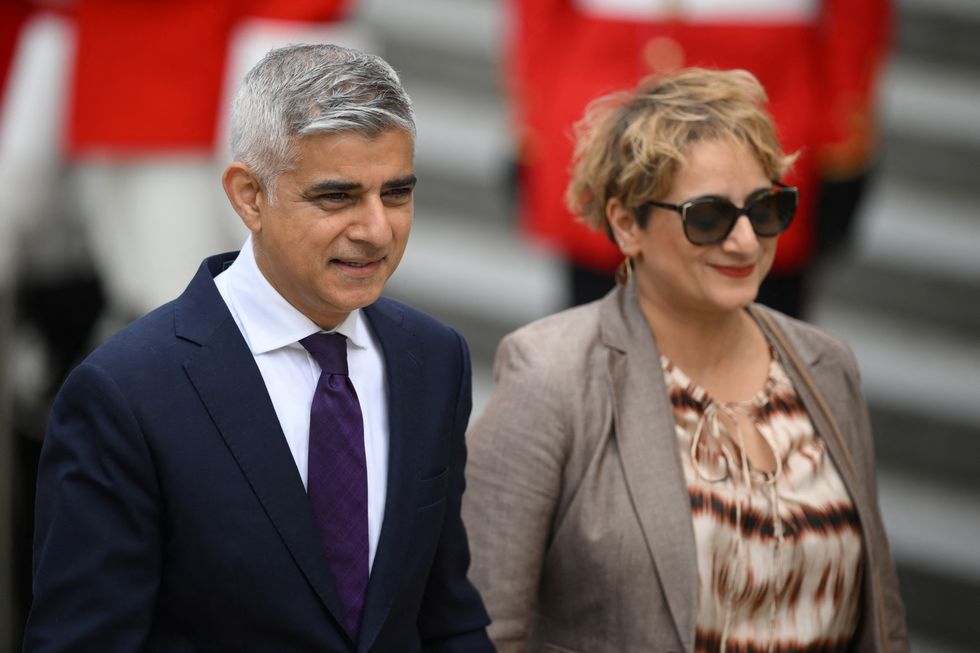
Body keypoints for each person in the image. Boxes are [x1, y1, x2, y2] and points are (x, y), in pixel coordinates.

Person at [25, 43, 493, 652]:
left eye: (396, 194)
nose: (377, 229)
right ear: (249, 196)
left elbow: (444, 615)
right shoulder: (125, 392)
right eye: (337, 197)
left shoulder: (433, 359)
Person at [463, 68, 909, 652]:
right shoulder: (552, 376)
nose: (746, 241)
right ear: (627, 224)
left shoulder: (827, 366)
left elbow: (882, 620)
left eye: (766, 208)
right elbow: (481, 627)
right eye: (709, 217)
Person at [506, 0, 892, 315]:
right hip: (608, 116)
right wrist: (536, 122)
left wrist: (841, 137)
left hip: (764, 114)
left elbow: (856, 17)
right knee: (598, 369)